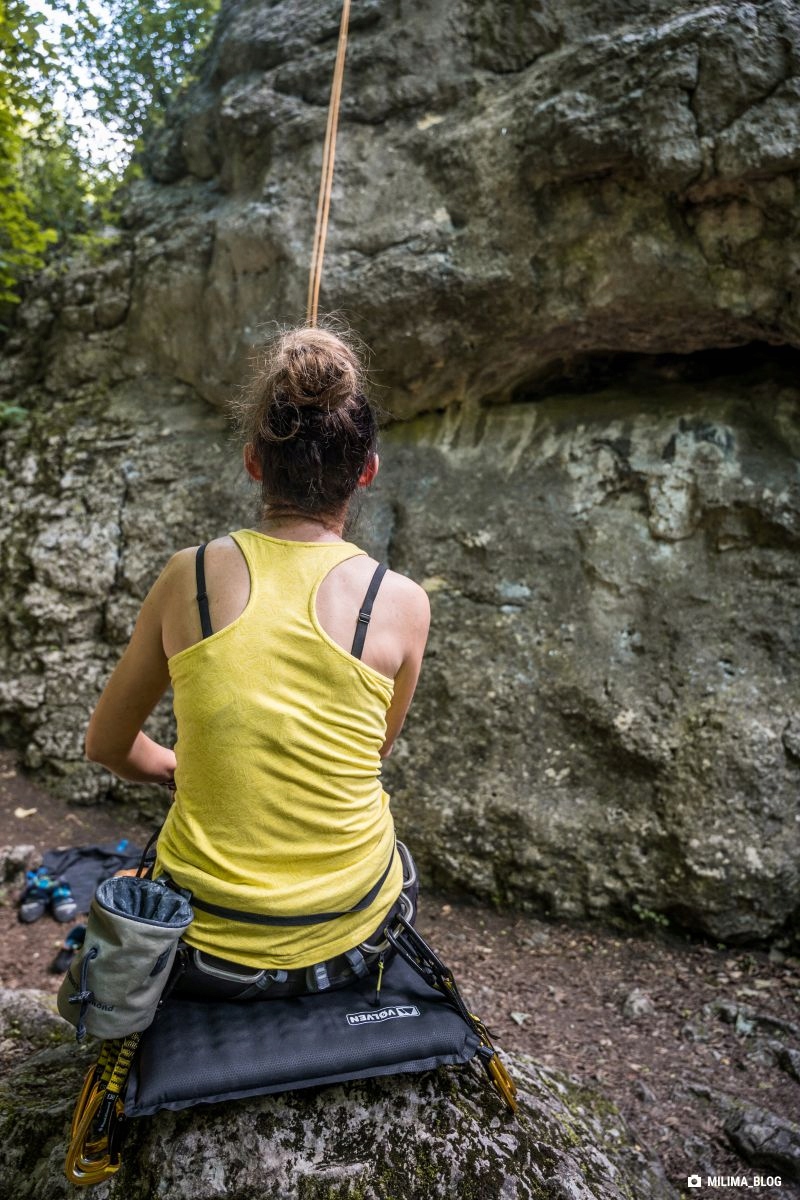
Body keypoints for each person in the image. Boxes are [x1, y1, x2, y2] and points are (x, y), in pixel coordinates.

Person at [84, 325, 430, 1001]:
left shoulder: (189, 576)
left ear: (253, 462)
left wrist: (179, 768)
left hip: (207, 948)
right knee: (390, 857)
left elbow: (107, 744)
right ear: (367, 471)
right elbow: (372, 749)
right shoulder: (401, 601)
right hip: (354, 936)